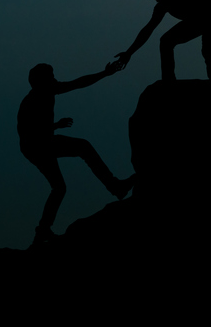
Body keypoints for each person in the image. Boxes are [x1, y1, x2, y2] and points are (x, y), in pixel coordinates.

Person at [19, 60, 134, 245]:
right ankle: (115, 187)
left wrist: (104, 74)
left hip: (38, 145)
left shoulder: (46, 91)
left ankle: (42, 231)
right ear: (42, 81)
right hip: (36, 146)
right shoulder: (33, 100)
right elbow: (26, 130)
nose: (55, 79)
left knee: (59, 187)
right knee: (83, 148)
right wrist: (53, 127)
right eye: (51, 77)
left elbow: (78, 83)